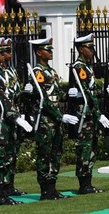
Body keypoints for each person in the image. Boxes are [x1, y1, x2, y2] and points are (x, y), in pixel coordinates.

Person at [0, 38, 32, 206]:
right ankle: (0, 194)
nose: (5, 55)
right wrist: (16, 116)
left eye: (6, 51)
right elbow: (1, 98)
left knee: (10, 155)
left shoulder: (6, 72)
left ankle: (7, 187)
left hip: (10, 120)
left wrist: (24, 94)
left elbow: (12, 95)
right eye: (1, 52)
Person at [26, 38, 78, 199]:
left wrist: (68, 95)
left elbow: (55, 95)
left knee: (56, 153)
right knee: (44, 154)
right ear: (38, 52)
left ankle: (52, 186)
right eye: (47, 50)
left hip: (56, 121)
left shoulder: (52, 72)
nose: (50, 52)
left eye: (51, 49)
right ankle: (45, 189)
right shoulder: (37, 72)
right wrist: (60, 116)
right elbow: (44, 100)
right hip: (45, 121)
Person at [68, 34, 109, 194]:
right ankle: (84, 184)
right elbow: (87, 93)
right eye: (90, 48)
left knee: (92, 149)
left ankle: (88, 183)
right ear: (81, 49)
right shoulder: (79, 67)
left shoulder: (87, 67)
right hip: (85, 116)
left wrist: (102, 91)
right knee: (85, 150)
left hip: (90, 116)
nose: (92, 51)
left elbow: (90, 91)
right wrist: (99, 114)